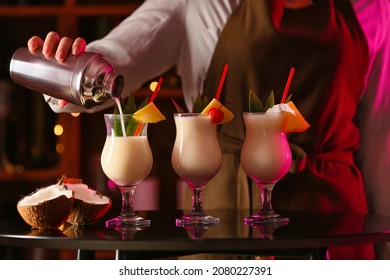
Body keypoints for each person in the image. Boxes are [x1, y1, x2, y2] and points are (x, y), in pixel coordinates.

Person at [27, 0, 389, 259]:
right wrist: (68, 70)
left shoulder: (373, 7)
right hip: (226, 216)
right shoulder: (196, 4)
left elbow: (379, 138)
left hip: (340, 219)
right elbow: (118, 58)